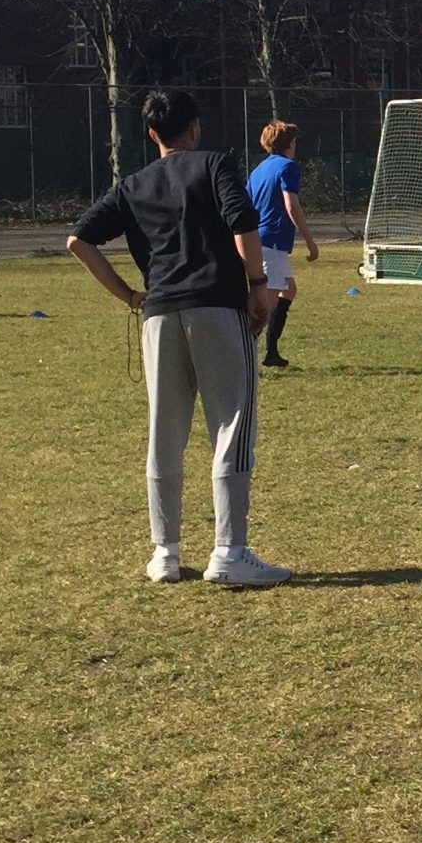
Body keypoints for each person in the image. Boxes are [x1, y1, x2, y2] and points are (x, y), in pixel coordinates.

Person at [67, 90, 287, 589]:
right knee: (231, 425)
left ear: (151, 135)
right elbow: (243, 223)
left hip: (158, 313)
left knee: (164, 431)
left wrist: (129, 296)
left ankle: (164, 552)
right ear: (195, 128)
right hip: (217, 306)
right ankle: (229, 551)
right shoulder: (215, 165)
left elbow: (78, 241)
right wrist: (258, 288)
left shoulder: (133, 184)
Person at [246, 120, 319, 368]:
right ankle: (244, 352)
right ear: (289, 143)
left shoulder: (259, 170)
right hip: (272, 242)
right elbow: (292, 206)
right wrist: (310, 242)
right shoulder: (288, 167)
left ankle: (271, 353)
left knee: (288, 290)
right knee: (264, 306)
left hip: (258, 239)